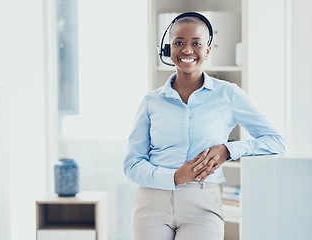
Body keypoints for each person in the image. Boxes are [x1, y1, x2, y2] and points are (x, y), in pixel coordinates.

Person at [123, 12, 286, 240]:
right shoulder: (151, 102)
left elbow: (276, 142)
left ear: (207, 51)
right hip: (151, 205)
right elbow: (132, 164)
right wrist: (174, 177)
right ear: (169, 49)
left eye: (196, 43)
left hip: (202, 205)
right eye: (179, 42)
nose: (187, 50)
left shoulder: (228, 94)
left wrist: (228, 150)